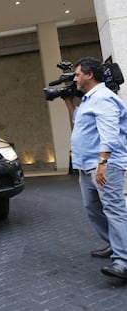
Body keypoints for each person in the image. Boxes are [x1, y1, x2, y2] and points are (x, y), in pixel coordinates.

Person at [63, 57, 127, 280]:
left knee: (114, 209)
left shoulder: (103, 98)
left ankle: (124, 261)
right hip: (86, 165)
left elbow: (109, 133)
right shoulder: (89, 100)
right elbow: (78, 121)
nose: (75, 77)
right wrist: (68, 101)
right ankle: (115, 244)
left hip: (103, 165)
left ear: (89, 75)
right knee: (93, 208)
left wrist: (102, 163)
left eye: (78, 74)